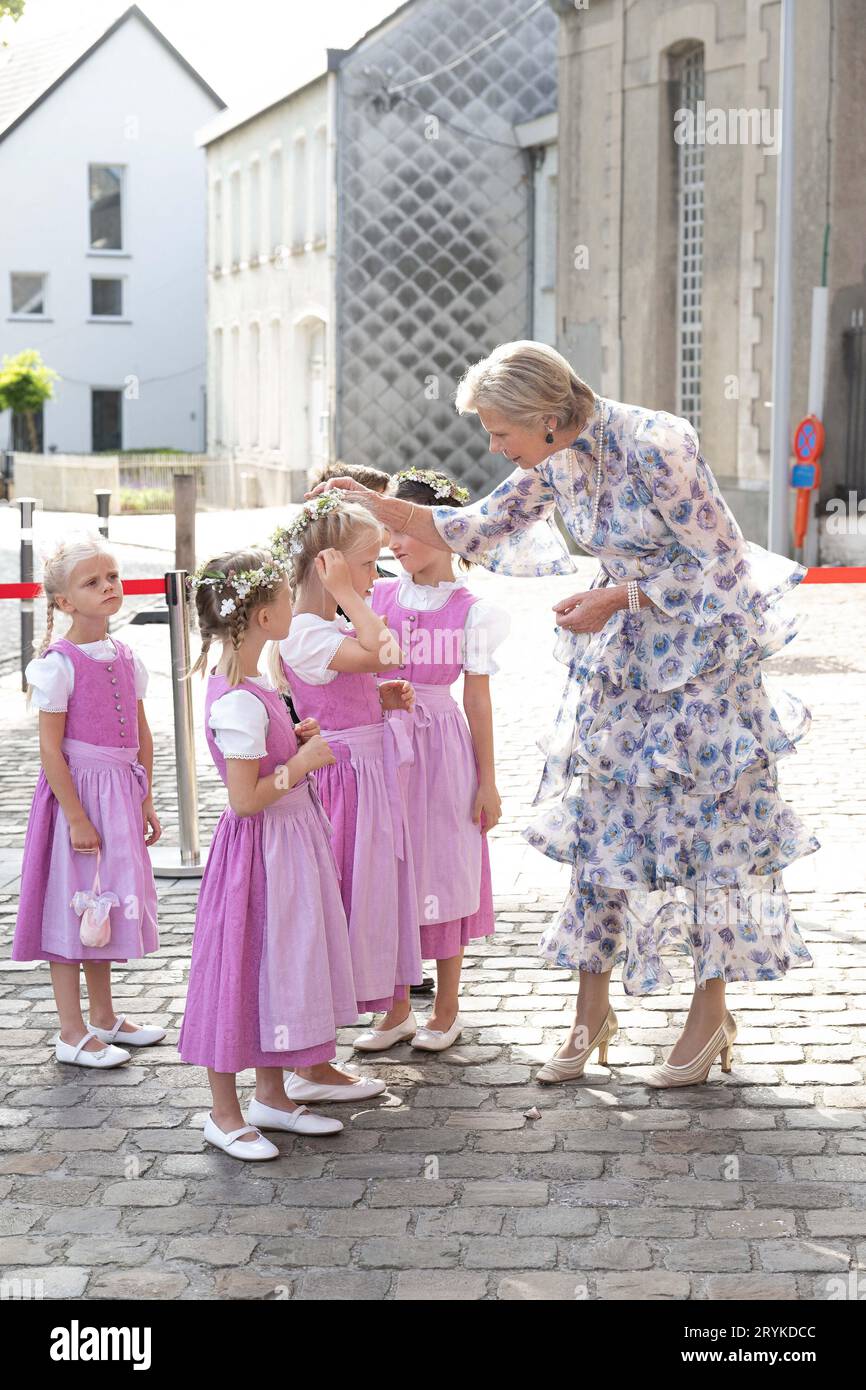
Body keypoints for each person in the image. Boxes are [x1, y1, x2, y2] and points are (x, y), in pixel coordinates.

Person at [306, 340, 820, 1088]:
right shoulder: (553, 458)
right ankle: (590, 1013)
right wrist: (372, 501)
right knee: (601, 831)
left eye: (498, 431)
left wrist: (621, 595)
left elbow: (724, 563)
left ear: (548, 417)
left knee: (706, 839)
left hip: (704, 672)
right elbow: (477, 527)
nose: (493, 446)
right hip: (622, 666)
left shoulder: (658, 442)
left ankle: (709, 1015)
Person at [178, 547, 365, 1159]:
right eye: (285, 596)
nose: (296, 603)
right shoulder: (235, 700)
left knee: (279, 964)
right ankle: (224, 1113)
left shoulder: (259, 683)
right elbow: (243, 800)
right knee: (242, 966)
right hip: (258, 853)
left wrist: (295, 740)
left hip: (286, 845)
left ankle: (273, 1096)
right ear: (262, 616)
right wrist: (300, 764)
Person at [274, 495, 424, 1057]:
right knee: (344, 891)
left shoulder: (329, 621)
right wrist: (346, 596)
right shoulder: (307, 631)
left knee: (379, 885)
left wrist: (373, 701)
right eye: (366, 564)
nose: (374, 575)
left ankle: (397, 1005)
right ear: (329, 565)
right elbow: (389, 651)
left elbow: (376, 667)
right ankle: (325, 1026)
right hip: (340, 781)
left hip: (365, 772)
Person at [370, 466, 509, 1050]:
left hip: (442, 745)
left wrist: (488, 782)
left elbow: (476, 697)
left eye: (406, 528)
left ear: (444, 529)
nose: (395, 543)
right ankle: (396, 1005)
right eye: (390, 530)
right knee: (389, 865)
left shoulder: (472, 610)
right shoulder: (373, 594)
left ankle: (446, 1007)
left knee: (444, 864)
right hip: (382, 743)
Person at [12, 534, 164, 1069]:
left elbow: (142, 733)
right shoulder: (59, 663)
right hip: (79, 796)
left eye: (112, 577)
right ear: (64, 602)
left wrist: (144, 798)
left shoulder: (125, 655)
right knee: (71, 906)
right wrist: (75, 815)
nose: (109, 587)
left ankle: (104, 1015)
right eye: (92, 582)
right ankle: (71, 1031)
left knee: (103, 904)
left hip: (119, 792)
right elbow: (50, 750)